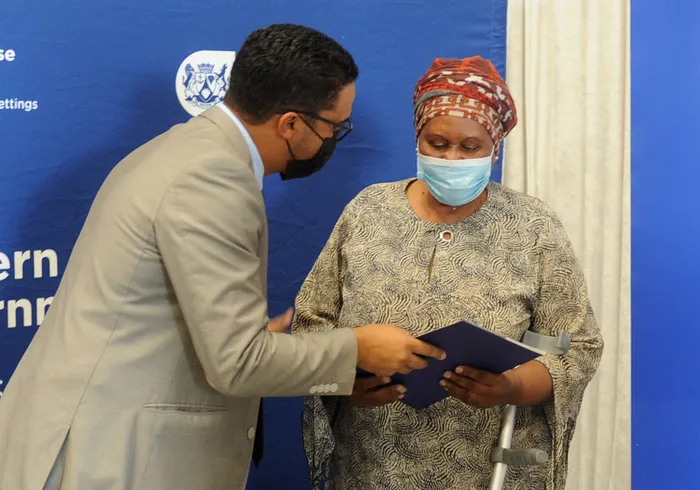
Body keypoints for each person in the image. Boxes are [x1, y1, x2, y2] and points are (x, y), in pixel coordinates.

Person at [0, 24, 445, 490]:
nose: (333, 140)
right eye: (334, 127)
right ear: (291, 125)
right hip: (109, 457)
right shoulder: (212, 180)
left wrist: (259, 340)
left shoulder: (186, 150)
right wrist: (359, 349)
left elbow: (173, 321)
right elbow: (238, 362)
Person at [292, 56, 604, 490]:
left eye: (470, 148)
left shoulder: (533, 227)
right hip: (371, 467)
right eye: (437, 144)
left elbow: (579, 348)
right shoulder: (368, 212)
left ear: (495, 147)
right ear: (417, 138)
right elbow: (311, 324)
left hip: (488, 471)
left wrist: (512, 386)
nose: (452, 158)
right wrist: (342, 381)